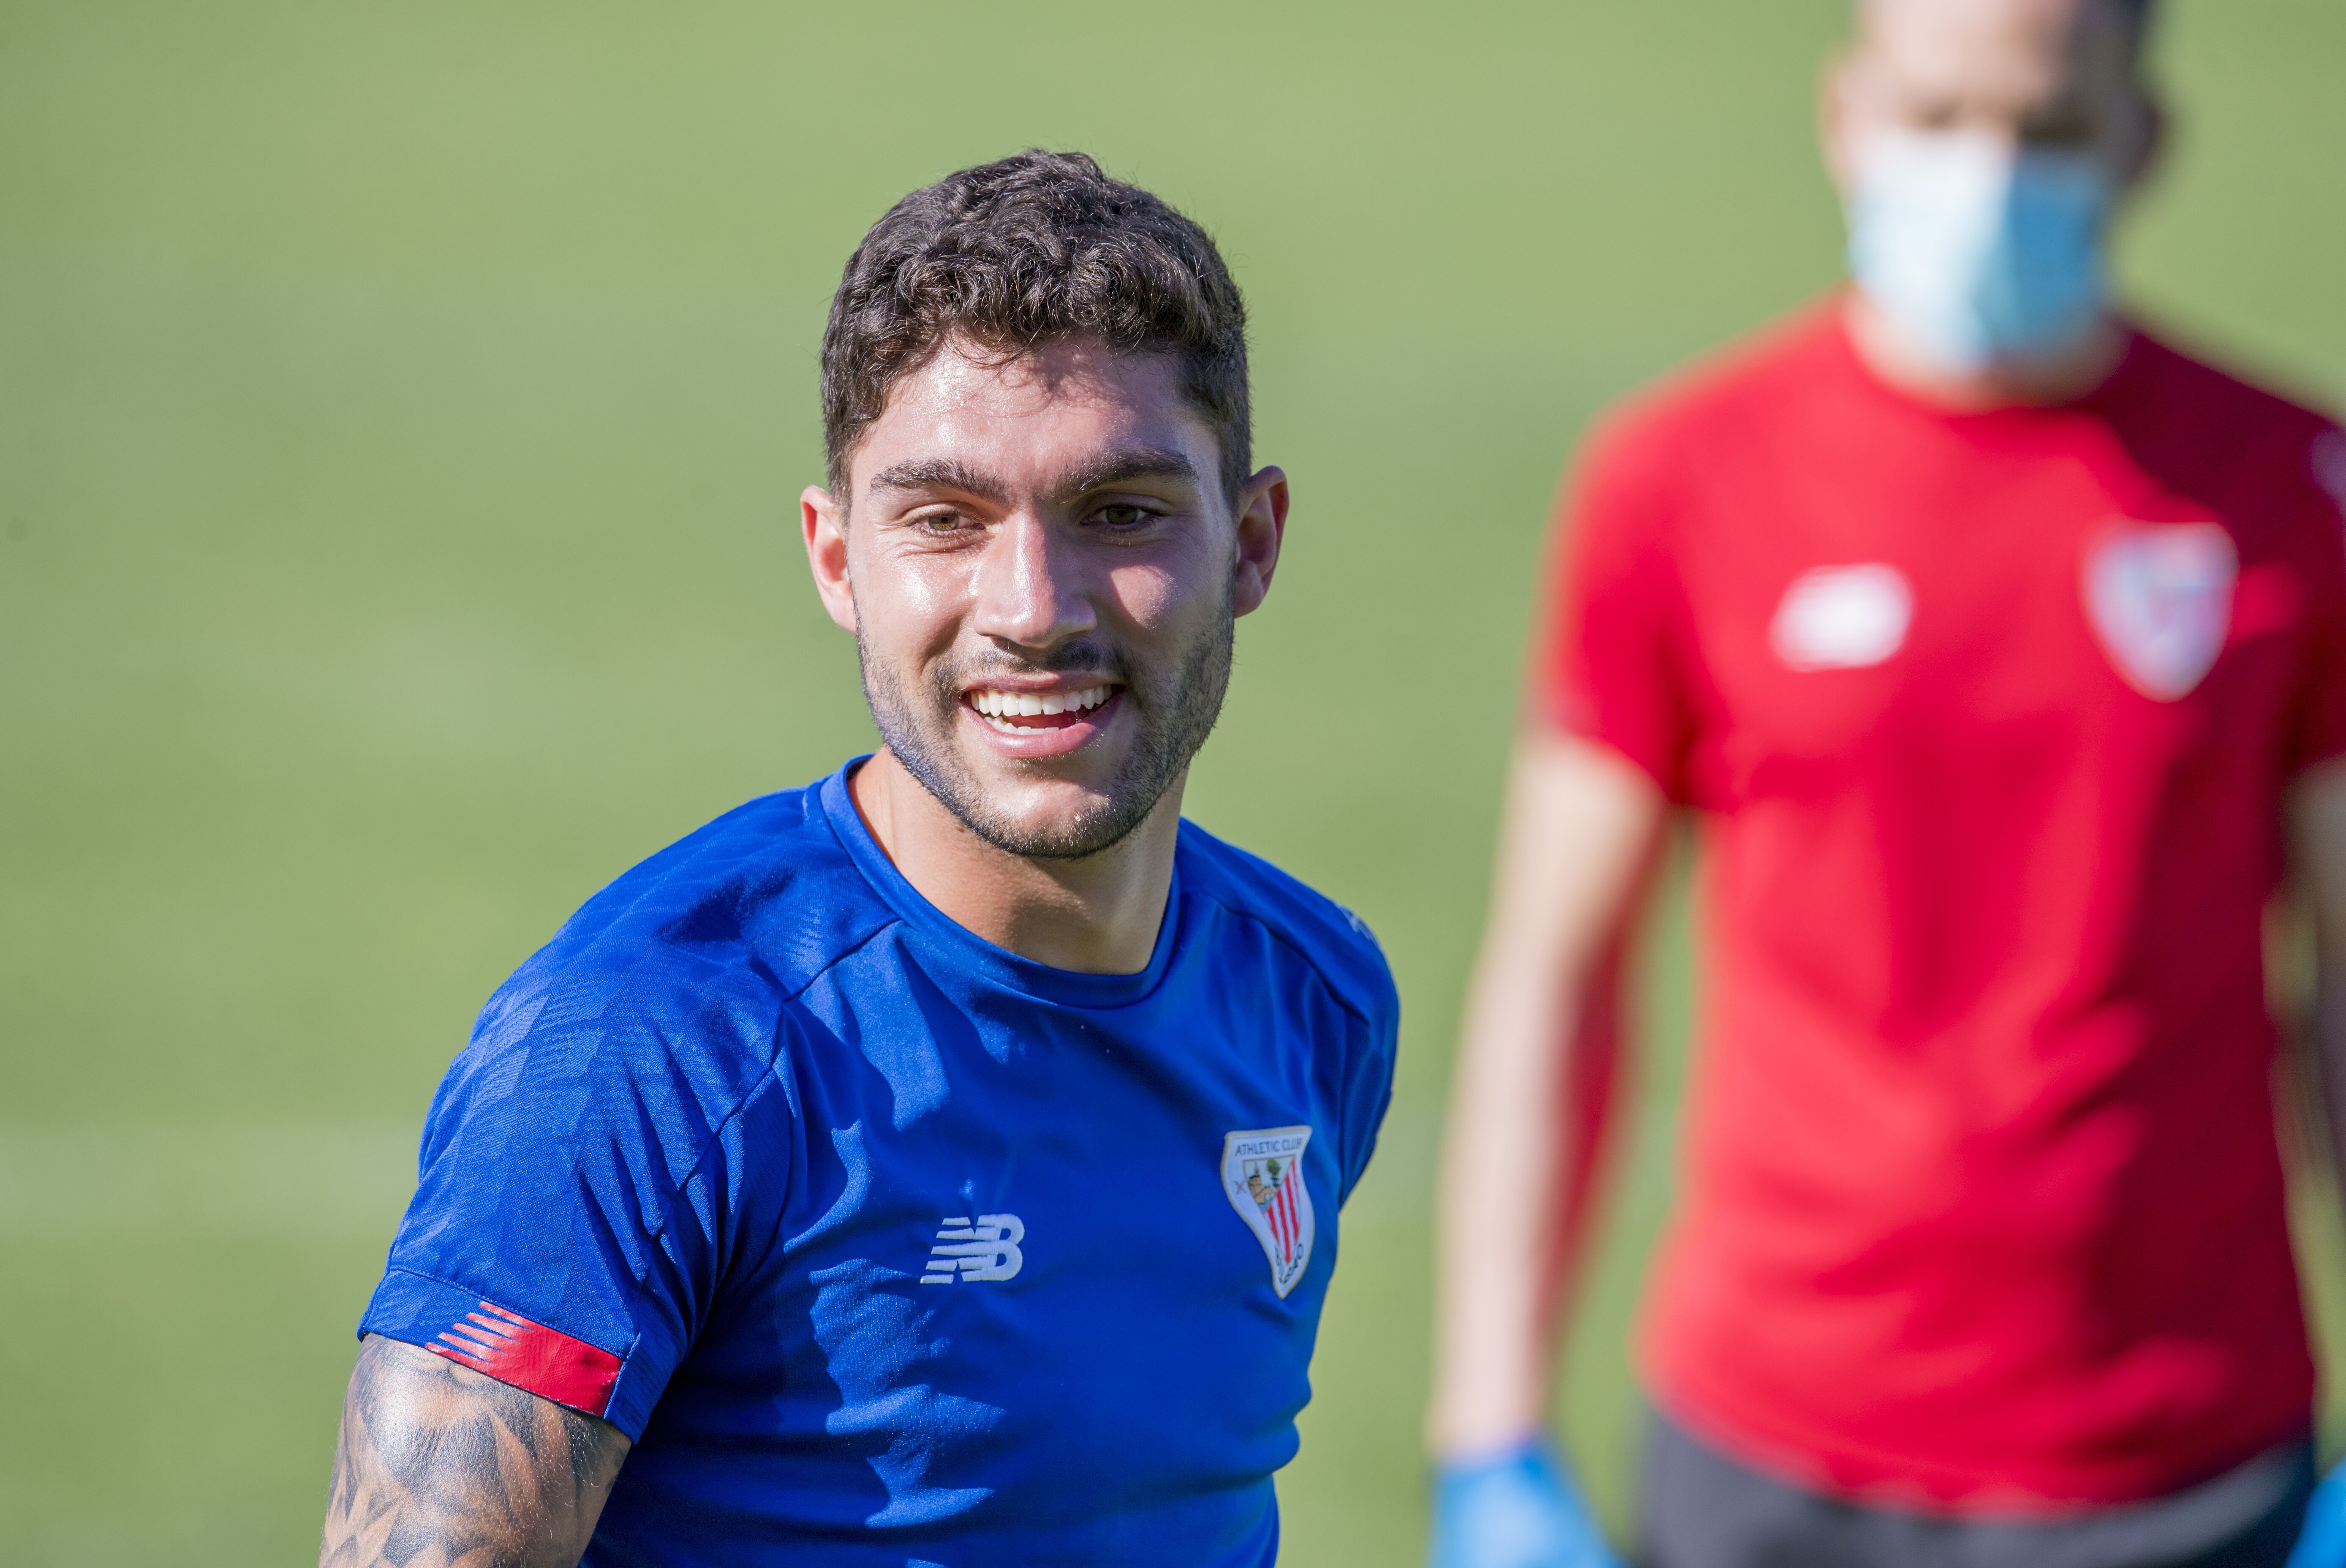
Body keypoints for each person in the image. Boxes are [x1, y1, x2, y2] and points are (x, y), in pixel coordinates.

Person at [317, 150, 1399, 1568]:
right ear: (838, 560)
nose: (1031, 609)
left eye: (1122, 513)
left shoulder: (1315, 998)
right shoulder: (648, 1047)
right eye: (944, 521)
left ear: (1250, 542)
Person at [1425, 2, 2346, 1565]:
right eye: (1936, 116)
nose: (1987, 176)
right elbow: (1557, 978)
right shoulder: (1676, 481)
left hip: (2192, 1456)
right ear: (1846, 118)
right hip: (1771, 1448)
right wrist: (1487, 1436)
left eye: (2047, 128)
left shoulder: (2296, 494)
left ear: (2143, 140)